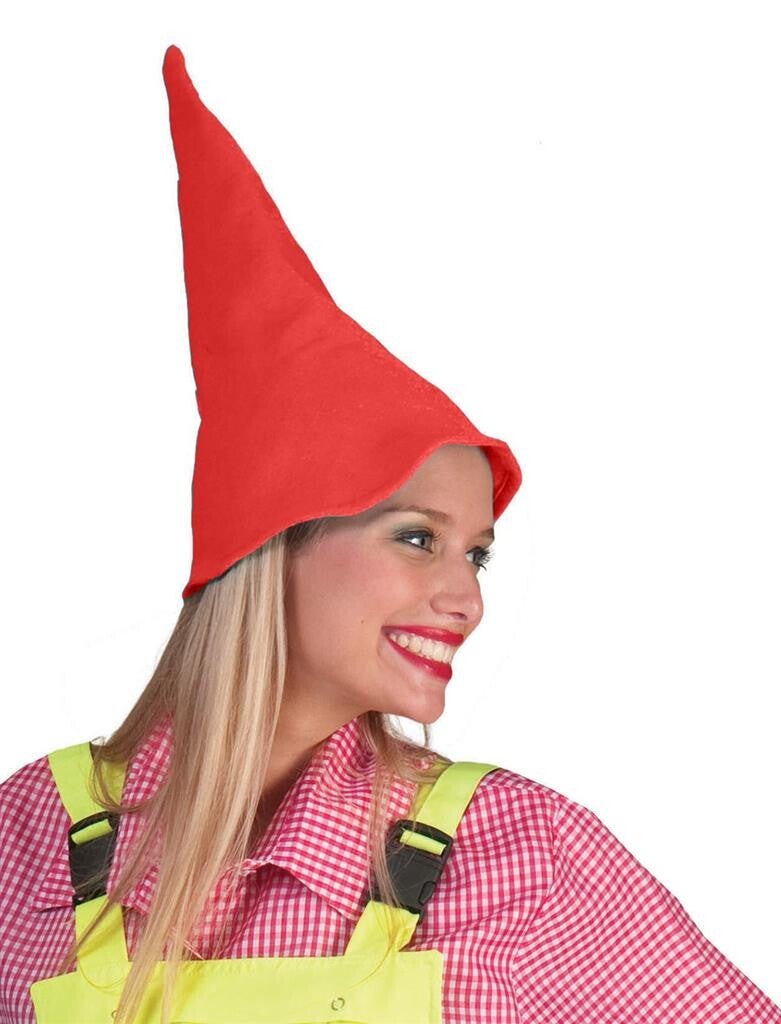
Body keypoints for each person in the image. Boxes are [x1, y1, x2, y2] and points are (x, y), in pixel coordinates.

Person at [0, 43, 779, 1024]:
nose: (468, 598)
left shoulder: (513, 856)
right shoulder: (32, 838)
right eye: (417, 538)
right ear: (268, 541)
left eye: (477, 553)